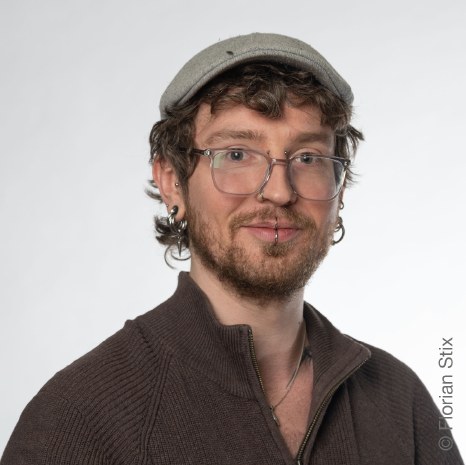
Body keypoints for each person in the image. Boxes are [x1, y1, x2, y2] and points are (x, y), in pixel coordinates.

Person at [1, 33, 462, 465]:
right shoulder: (79, 419)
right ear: (172, 182)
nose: (279, 191)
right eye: (237, 154)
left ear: (339, 191)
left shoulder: (401, 402)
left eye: (308, 158)